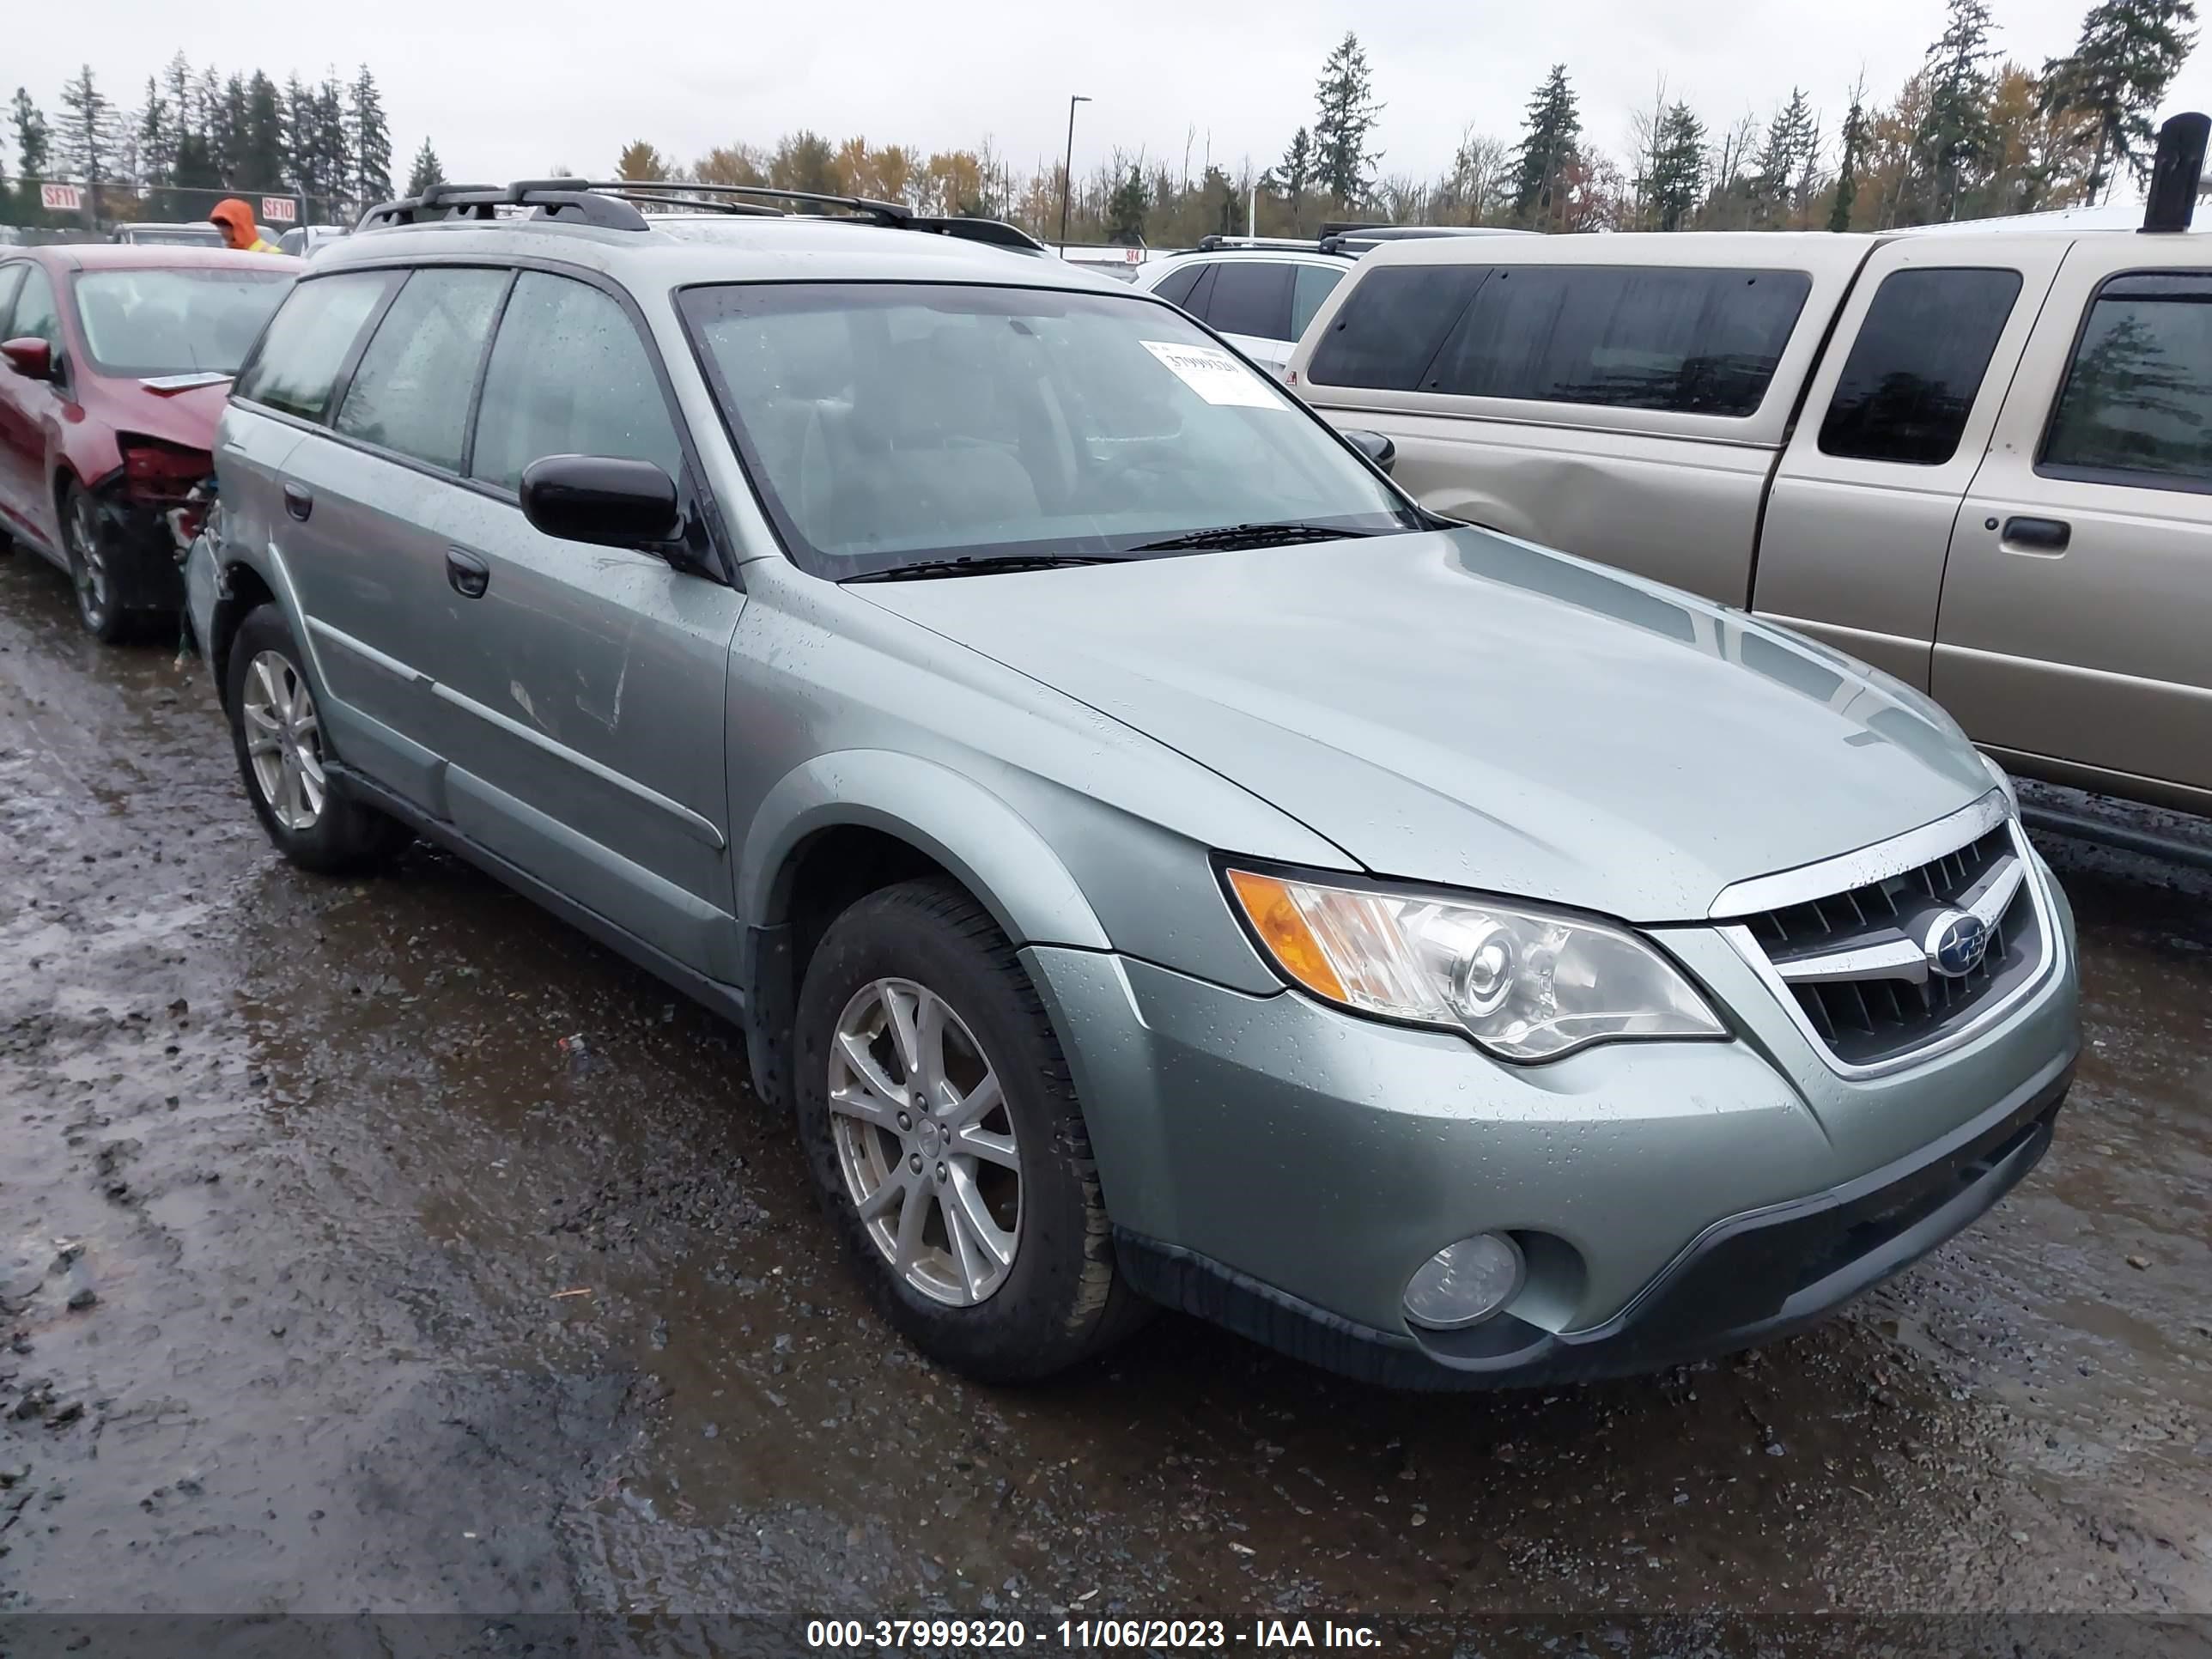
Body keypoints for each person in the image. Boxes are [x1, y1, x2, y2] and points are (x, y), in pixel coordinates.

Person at [209, 199, 277, 254]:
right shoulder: (228, 254)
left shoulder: (271, 254)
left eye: (225, 224)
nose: (221, 230)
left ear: (240, 225)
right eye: (218, 225)